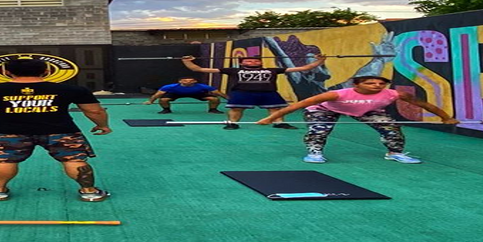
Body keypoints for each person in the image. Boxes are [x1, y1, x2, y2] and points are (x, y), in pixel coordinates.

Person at [0, 57, 111, 202]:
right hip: (62, 132)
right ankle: (90, 192)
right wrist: (102, 125)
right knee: (74, 160)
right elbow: (95, 111)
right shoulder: (72, 89)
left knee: (4, 162)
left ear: (6, 72)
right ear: (46, 71)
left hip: (10, 133)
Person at [257, 75, 459, 164]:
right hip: (325, 109)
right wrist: (271, 118)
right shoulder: (336, 94)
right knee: (319, 130)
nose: (376, 86)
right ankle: (315, 152)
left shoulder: (395, 94)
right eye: (370, 83)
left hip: (368, 110)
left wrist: (446, 118)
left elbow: (424, 104)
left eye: (380, 83)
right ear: (357, 85)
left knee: (391, 128)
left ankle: (395, 153)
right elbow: (298, 104)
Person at [181, 54, 327, 129]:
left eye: (256, 61)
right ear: (242, 63)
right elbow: (199, 69)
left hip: (268, 92)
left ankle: (279, 123)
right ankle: (232, 123)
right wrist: (187, 61)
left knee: (276, 109)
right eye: (249, 61)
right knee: (236, 109)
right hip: (242, 92)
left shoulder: (273, 70)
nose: (253, 62)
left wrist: (320, 60)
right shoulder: (232, 70)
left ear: (261, 62)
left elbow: (305, 68)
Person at [144, 76, 226, 114]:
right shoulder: (170, 86)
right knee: (163, 99)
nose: (188, 82)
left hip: (197, 93)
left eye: (190, 81)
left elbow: (217, 92)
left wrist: (229, 99)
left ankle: (213, 109)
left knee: (215, 99)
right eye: (185, 81)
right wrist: (150, 101)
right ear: (180, 81)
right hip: (176, 93)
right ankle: (166, 109)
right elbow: (157, 94)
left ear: (195, 81)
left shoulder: (202, 86)